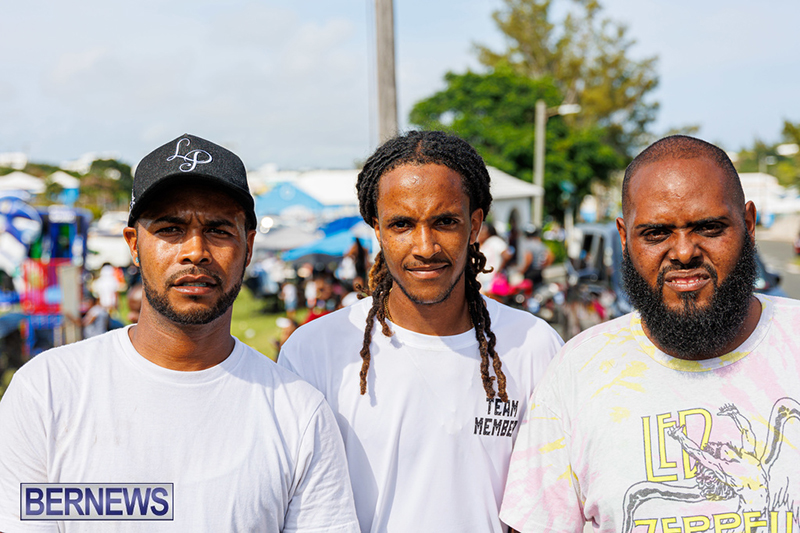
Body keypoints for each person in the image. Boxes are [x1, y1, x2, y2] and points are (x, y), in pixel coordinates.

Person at [0, 133, 358, 532]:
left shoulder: (299, 414)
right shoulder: (49, 391)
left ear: (249, 246)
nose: (195, 251)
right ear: (133, 245)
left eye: (219, 230)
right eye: (171, 229)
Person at [500, 135, 800, 532]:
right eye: (657, 233)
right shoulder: (577, 371)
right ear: (624, 238)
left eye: (709, 227)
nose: (683, 252)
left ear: (747, 224)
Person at [278, 130, 563, 532]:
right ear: (377, 228)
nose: (425, 246)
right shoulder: (314, 352)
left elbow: (548, 508)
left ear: (475, 223)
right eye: (402, 224)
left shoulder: (534, 345)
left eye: (445, 221)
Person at [515, 224, 553, 288]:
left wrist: (522, 271)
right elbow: (550, 256)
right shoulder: (540, 244)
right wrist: (544, 266)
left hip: (530, 272)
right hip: (539, 271)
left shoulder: (527, 244)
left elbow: (529, 259)